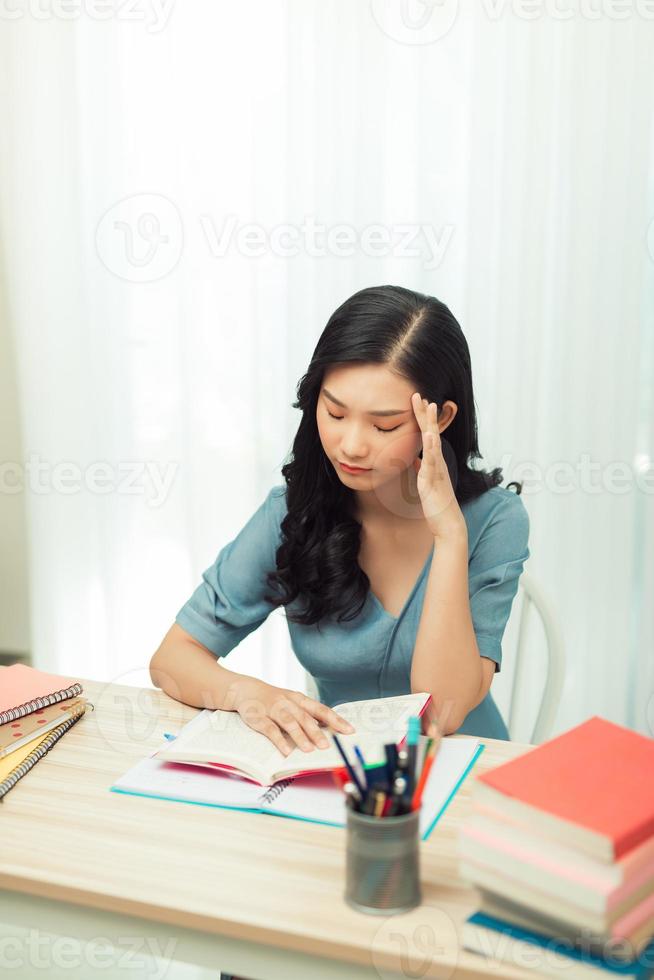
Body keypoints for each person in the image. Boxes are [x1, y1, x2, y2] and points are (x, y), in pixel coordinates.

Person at [150, 283, 530, 756]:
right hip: (343, 776)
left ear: (442, 418)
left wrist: (449, 535)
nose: (351, 445)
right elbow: (172, 659)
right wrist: (253, 695)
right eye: (334, 412)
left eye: (384, 425)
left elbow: (442, 715)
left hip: (468, 771)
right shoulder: (293, 512)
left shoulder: (495, 521)